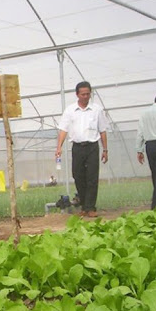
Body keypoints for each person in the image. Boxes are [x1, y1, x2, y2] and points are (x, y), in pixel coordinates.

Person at [55, 81, 108, 218]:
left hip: (92, 147)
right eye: (83, 94)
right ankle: (84, 205)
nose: (85, 96)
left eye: (88, 94)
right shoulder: (70, 110)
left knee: (92, 177)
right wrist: (59, 147)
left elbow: (102, 130)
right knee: (78, 176)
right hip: (77, 147)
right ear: (77, 94)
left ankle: (90, 207)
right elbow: (63, 129)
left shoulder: (97, 110)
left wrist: (105, 149)